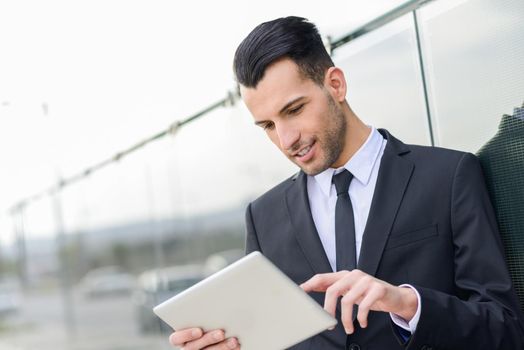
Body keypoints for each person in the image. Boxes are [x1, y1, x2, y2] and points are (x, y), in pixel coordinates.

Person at [169, 16, 524, 349]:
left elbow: (505, 327)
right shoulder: (263, 218)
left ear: (335, 84)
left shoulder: (448, 176)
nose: (286, 139)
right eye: (268, 126)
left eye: (294, 110)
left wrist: (406, 303)